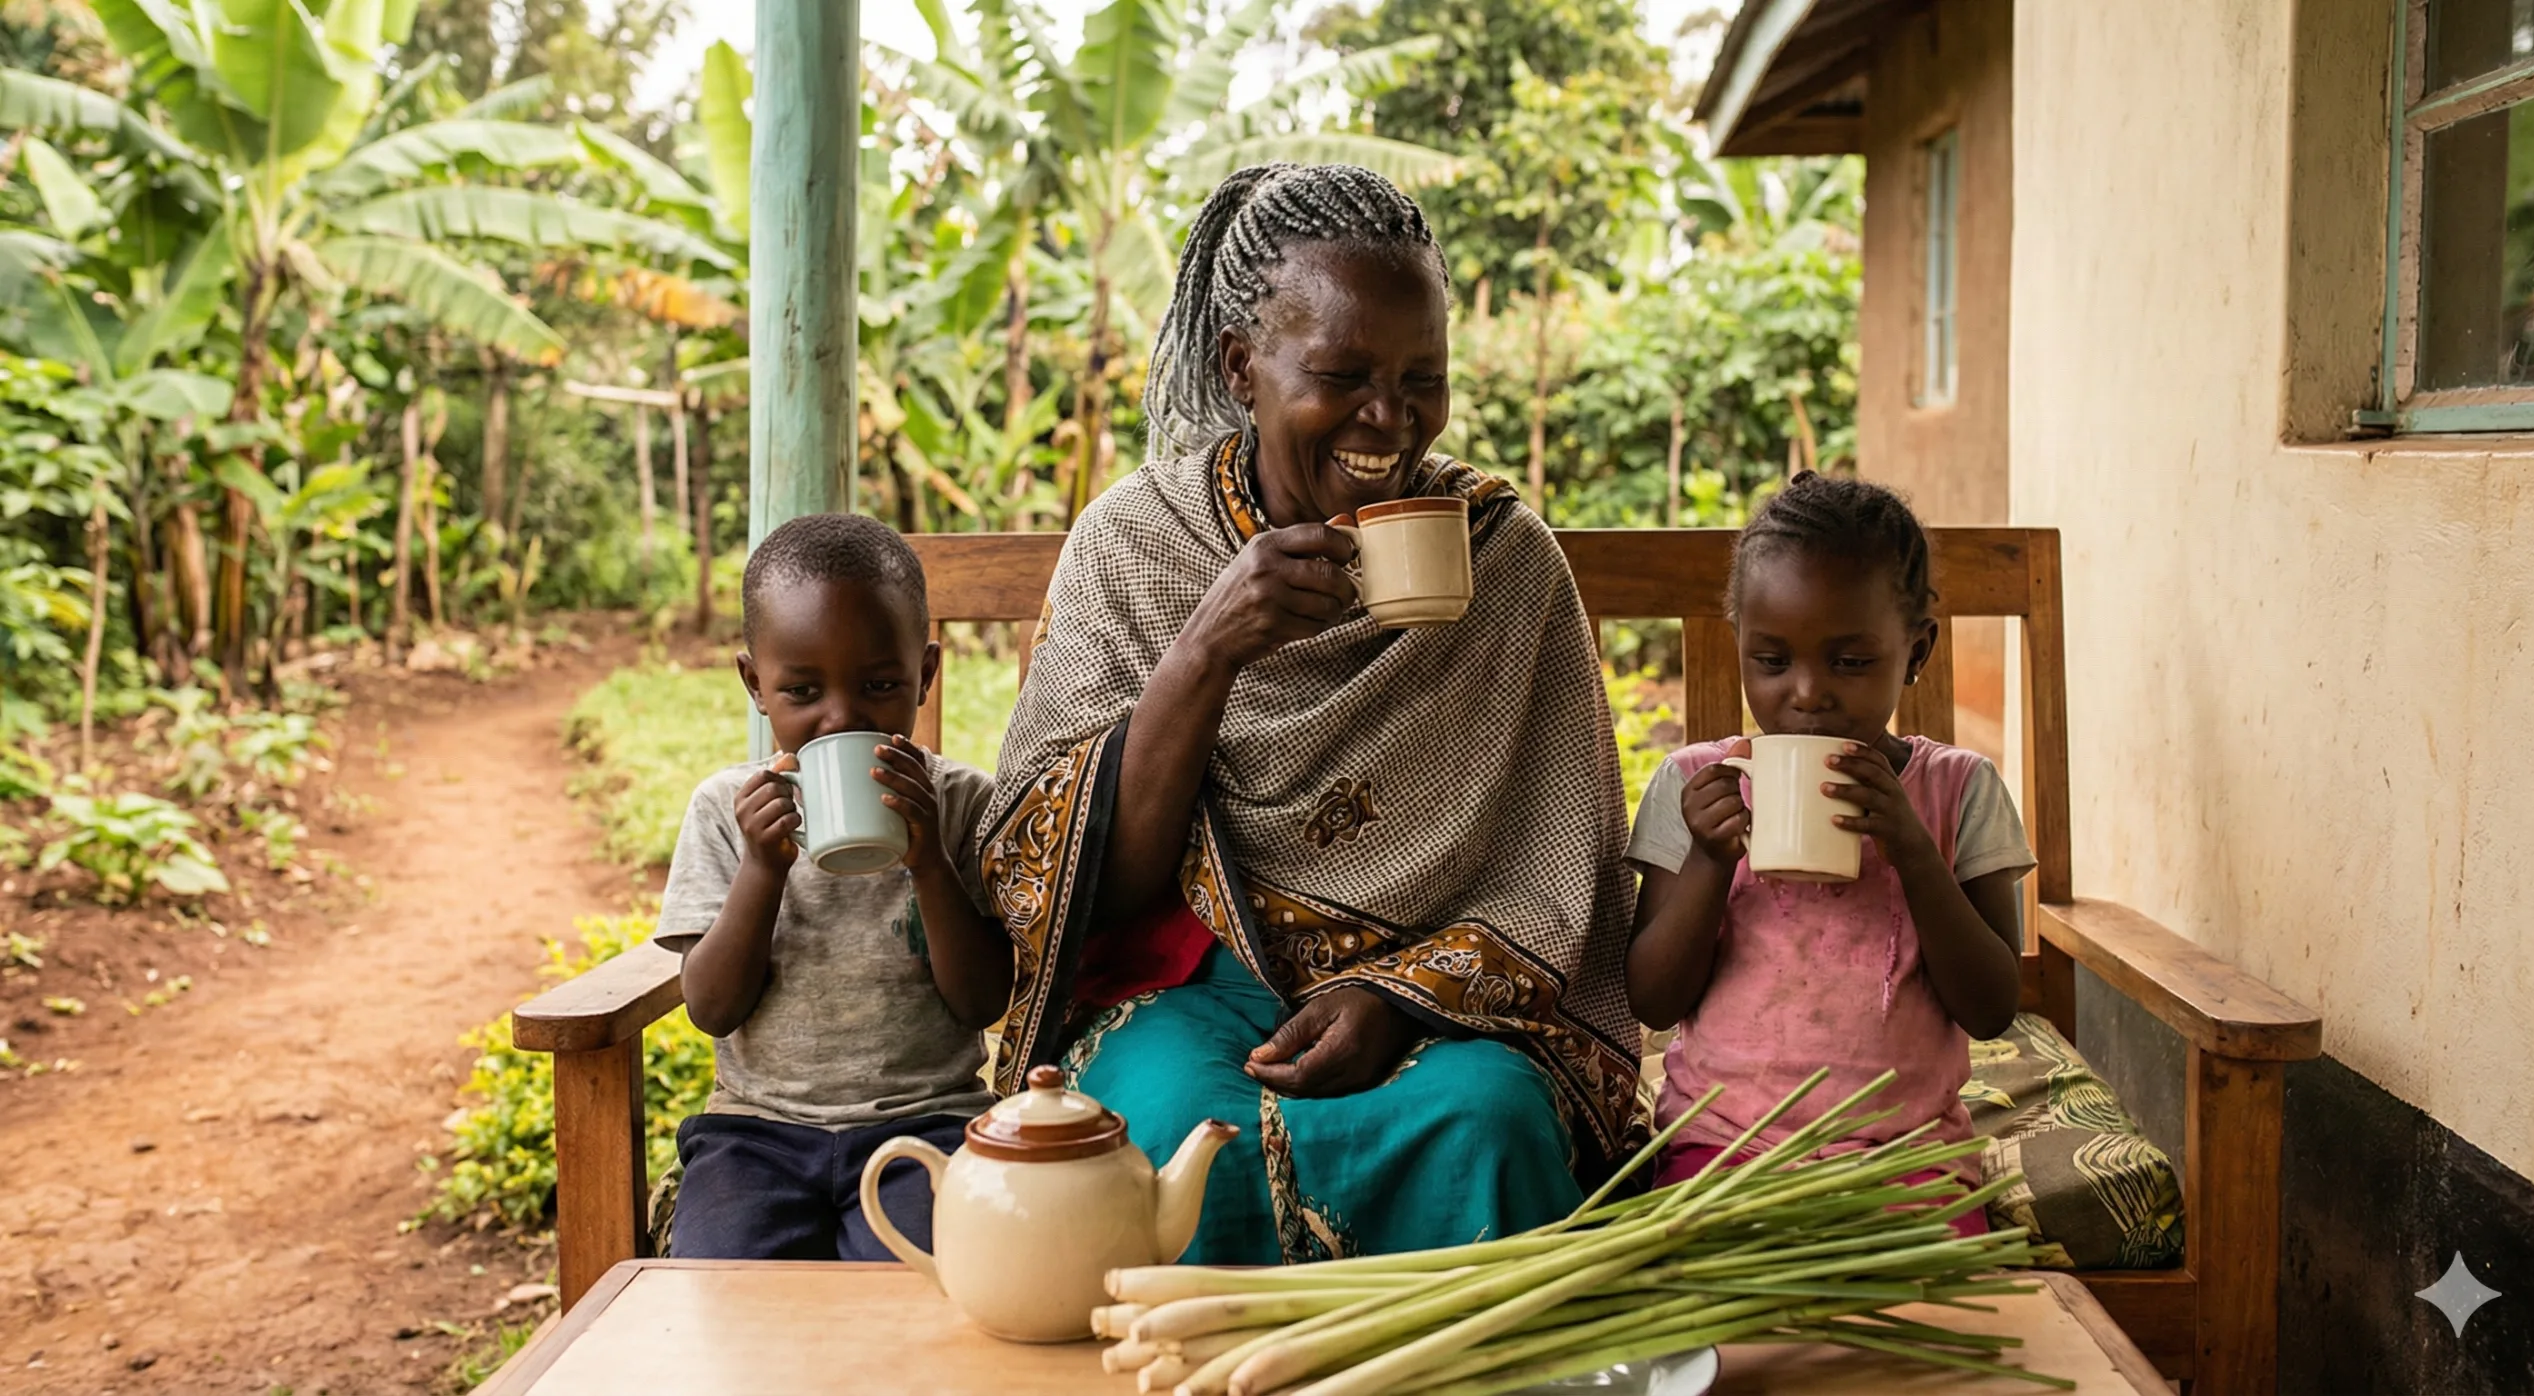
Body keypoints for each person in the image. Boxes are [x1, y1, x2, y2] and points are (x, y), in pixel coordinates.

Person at [977, 163, 1645, 1265]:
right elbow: (1077, 881)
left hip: (1445, 999)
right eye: (1342, 375)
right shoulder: (1137, 544)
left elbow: (1556, 864)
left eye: (1421, 378)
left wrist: (1400, 999)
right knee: (1174, 1132)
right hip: (1193, 985)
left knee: (1486, 1119)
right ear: (1242, 366)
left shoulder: (1507, 559)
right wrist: (1208, 647)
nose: (1391, 420)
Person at [1623, 473, 2034, 1223]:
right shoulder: (1694, 789)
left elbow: (1993, 1006)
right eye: (1772, 661)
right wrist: (1711, 860)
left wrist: (1913, 849)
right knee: (1715, 1315)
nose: (1808, 693)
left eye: (1850, 662)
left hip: (1907, 1155)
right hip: (1722, 1148)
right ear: (1741, 646)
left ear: (1917, 651)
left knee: (1925, 1321)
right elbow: (1652, 997)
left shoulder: (1958, 792)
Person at [654, 513, 1011, 1260]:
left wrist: (927, 863)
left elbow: (983, 1001)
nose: (841, 716)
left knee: (916, 1293)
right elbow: (712, 1008)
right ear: (756, 684)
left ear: (927, 674)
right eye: (802, 689)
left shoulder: (965, 806)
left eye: (881, 684)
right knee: (726, 1294)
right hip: (755, 1136)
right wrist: (763, 868)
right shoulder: (726, 812)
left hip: (929, 1126)